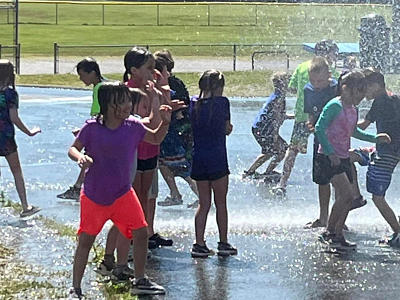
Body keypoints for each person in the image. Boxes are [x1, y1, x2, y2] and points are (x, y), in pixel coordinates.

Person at [68, 82, 177, 298]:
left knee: (141, 232)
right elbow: (73, 148)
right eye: (124, 100)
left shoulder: (133, 126)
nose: (129, 104)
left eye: (129, 100)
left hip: (123, 193)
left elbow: (154, 138)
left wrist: (165, 123)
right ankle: (76, 288)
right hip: (94, 195)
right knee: (85, 241)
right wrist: (80, 157)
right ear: (109, 104)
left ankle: (140, 279)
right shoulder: (91, 127)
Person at [315, 71, 390, 250]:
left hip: (342, 157)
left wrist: (375, 138)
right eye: (358, 92)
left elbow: (353, 132)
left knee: (348, 198)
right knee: (347, 195)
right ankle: (329, 232)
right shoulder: (334, 106)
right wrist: (330, 152)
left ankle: (337, 234)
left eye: (363, 93)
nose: (361, 97)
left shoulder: (353, 110)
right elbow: (319, 128)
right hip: (327, 157)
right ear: (345, 88)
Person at [274, 39, 339, 194]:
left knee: (293, 149)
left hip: (302, 116)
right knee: (328, 151)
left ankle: (282, 183)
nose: (335, 56)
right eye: (333, 53)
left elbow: (292, 88)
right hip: (324, 120)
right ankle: (334, 184)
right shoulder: (329, 72)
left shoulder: (302, 67)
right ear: (325, 53)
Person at [123, 47, 173, 249]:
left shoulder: (153, 89)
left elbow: (160, 118)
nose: (154, 72)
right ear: (134, 70)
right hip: (135, 153)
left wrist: (163, 95)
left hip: (151, 150)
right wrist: (155, 99)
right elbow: (150, 124)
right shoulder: (129, 92)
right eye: (149, 68)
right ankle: (134, 236)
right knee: (135, 196)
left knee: (148, 195)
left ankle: (146, 232)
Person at [189, 70, 237, 258]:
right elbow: (226, 128)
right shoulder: (222, 102)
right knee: (221, 203)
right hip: (217, 157)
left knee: (204, 203)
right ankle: (223, 242)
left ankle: (199, 243)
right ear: (219, 87)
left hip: (199, 157)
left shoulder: (194, 103)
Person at [358, 69, 400, 247]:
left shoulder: (379, 101)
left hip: (387, 151)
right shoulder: (395, 97)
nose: (362, 92)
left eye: (364, 88)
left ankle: (398, 232)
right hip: (395, 150)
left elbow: (363, 125)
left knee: (377, 197)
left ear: (375, 86)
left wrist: (341, 121)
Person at [153, 50, 199, 207]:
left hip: (172, 131)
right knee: (165, 164)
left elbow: (180, 107)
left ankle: (200, 197)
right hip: (173, 130)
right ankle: (175, 193)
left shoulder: (167, 87)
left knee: (180, 166)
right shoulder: (174, 83)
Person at [57, 57, 106, 200]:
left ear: (92, 73)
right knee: (92, 157)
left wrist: (86, 130)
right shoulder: (103, 84)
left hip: (99, 128)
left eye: (82, 74)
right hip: (99, 126)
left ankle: (79, 188)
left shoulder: (99, 88)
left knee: (90, 156)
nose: (80, 78)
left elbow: (99, 113)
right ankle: (78, 186)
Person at [0, 60, 41, 218]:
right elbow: (14, 118)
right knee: (16, 171)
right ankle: (25, 206)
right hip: (6, 136)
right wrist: (29, 132)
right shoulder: (9, 93)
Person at [243, 72, 293, 179]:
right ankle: (250, 172)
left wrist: (296, 117)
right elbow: (275, 117)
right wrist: (274, 134)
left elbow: (280, 116)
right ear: (282, 84)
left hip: (261, 128)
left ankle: (264, 172)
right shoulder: (278, 98)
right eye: (288, 82)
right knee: (270, 151)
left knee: (281, 148)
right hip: (264, 130)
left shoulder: (277, 96)